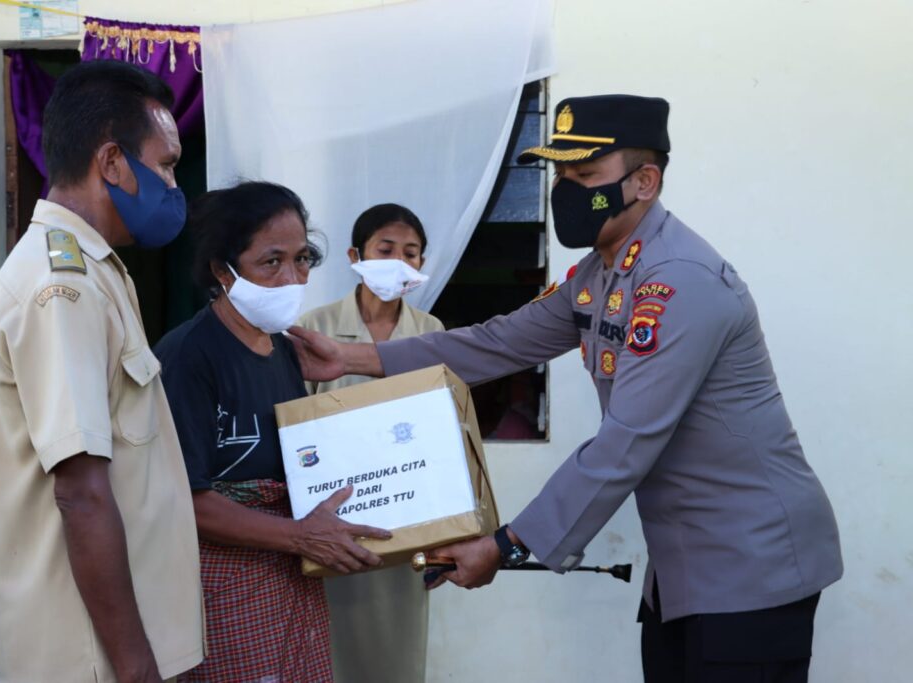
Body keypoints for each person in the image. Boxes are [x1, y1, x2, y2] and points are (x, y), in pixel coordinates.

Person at [289, 95, 844, 682]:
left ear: (644, 181)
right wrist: (352, 356)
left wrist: (505, 544)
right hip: (685, 564)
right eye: (559, 176)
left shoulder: (679, 282)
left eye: (585, 177)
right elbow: (496, 343)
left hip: (750, 563)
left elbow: (627, 440)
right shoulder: (602, 273)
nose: (566, 192)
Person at [0, 61, 203, 683]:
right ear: (111, 161)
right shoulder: (64, 286)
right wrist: (135, 669)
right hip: (92, 659)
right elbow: (80, 491)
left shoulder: (99, 269)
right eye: (164, 164)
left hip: (120, 646)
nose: (171, 183)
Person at [152, 182, 391, 683]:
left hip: (292, 583)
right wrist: (299, 536)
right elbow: (184, 498)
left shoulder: (285, 352)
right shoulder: (189, 357)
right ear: (223, 270)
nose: (291, 277)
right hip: (223, 592)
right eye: (271, 262)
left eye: (302, 259)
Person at [297, 203, 444, 683]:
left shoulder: (432, 332)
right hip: (331, 519)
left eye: (412, 252)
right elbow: (297, 428)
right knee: (330, 650)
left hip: (408, 519)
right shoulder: (313, 328)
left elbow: (443, 429)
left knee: (396, 656)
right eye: (386, 249)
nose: (399, 261)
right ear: (354, 255)